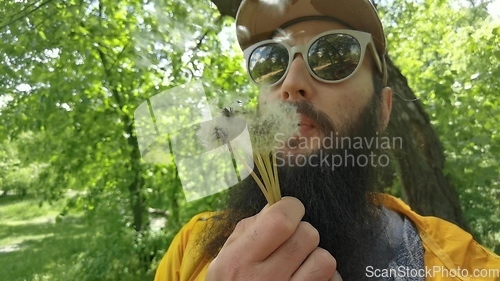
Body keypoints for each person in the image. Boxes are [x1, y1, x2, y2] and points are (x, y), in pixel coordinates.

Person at [154, 0, 500, 280]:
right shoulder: (190, 248)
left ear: (382, 110)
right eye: (272, 62)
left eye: (335, 58)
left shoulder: (466, 267)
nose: (291, 82)